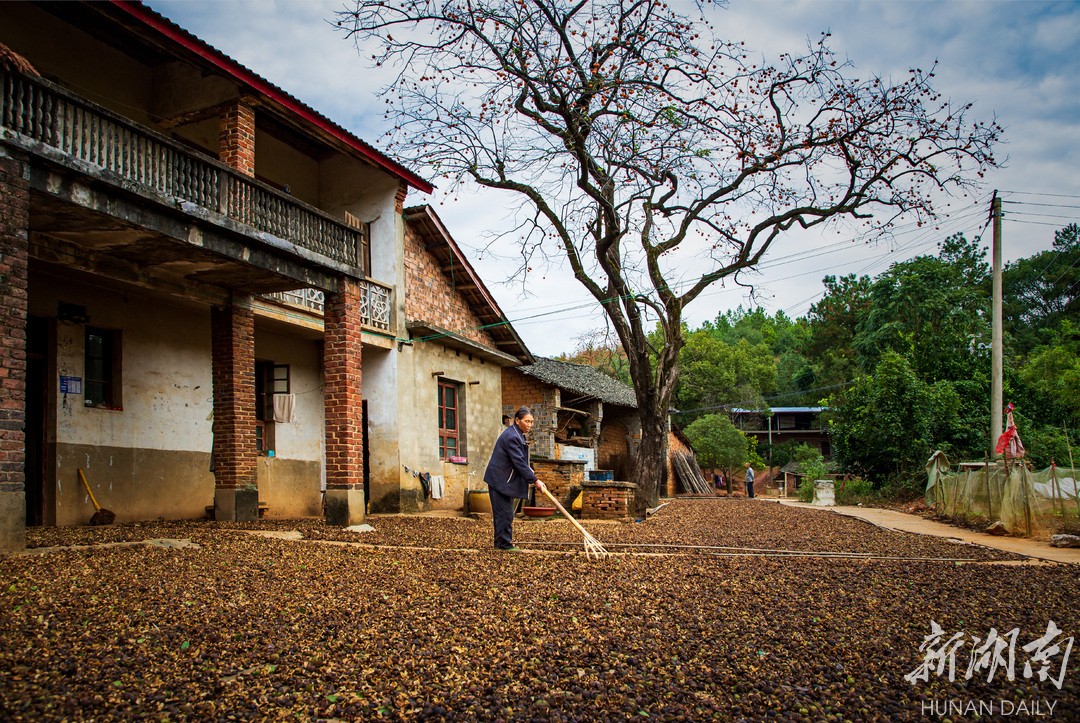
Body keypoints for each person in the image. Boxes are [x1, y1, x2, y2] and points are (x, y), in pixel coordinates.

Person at [483, 406, 543, 551]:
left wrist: (529, 471)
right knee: (505, 514)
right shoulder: (512, 436)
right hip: (500, 480)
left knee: (504, 513)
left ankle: (500, 543)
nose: (529, 425)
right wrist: (535, 480)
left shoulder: (518, 434)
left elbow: (520, 460)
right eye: (526, 421)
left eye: (531, 422)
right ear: (517, 420)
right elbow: (519, 462)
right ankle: (504, 544)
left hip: (503, 479)